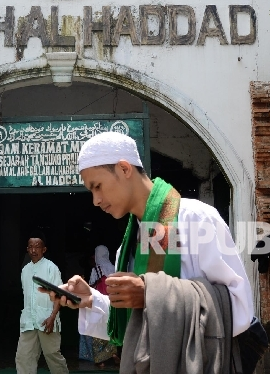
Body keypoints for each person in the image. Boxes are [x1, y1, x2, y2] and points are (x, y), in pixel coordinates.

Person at [47, 132, 255, 364]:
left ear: (125, 169)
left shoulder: (196, 219)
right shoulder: (126, 247)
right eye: (91, 191)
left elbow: (238, 309)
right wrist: (92, 300)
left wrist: (152, 294)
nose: (95, 200)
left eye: (98, 186)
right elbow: (137, 326)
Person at [16, 233, 69, 374]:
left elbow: (59, 295)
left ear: (44, 249)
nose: (34, 250)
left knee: (53, 355)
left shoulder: (51, 268)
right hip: (28, 320)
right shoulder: (25, 270)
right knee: (23, 357)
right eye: (31, 247)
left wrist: (52, 317)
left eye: (37, 247)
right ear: (27, 249)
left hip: (47, 319)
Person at [79, 245, 119, 367]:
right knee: (110, 330)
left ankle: (100, 360)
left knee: (97, 331)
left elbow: (91, 287)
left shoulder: (96, 270)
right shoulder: (114, 268)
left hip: (99, 304)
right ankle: (113, 354)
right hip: (112, 303)